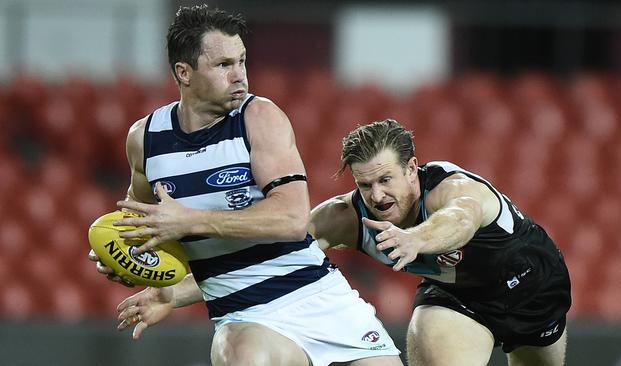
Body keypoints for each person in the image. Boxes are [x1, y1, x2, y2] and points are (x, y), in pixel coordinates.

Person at [88, 5, 403, 366]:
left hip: (320, 297)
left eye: (242, 61)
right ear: (184, 72)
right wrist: (127, 259)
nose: (240, 75)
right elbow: (141, 223)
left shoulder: (260, 118)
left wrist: (191, 221)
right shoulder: (146, 139)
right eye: (224, 65)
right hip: (245, 317)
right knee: (245, 357)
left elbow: (291, 220)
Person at [309, 119, 572, 366]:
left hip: (529, 285)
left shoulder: (451, 188)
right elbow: (290, 242)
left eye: (385, 180)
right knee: (428, 329)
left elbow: (462, 218)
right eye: (364, 185)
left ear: (411, 169)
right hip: (457, 295)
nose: (377, 196)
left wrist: (415, 238)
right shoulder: (346, 216)